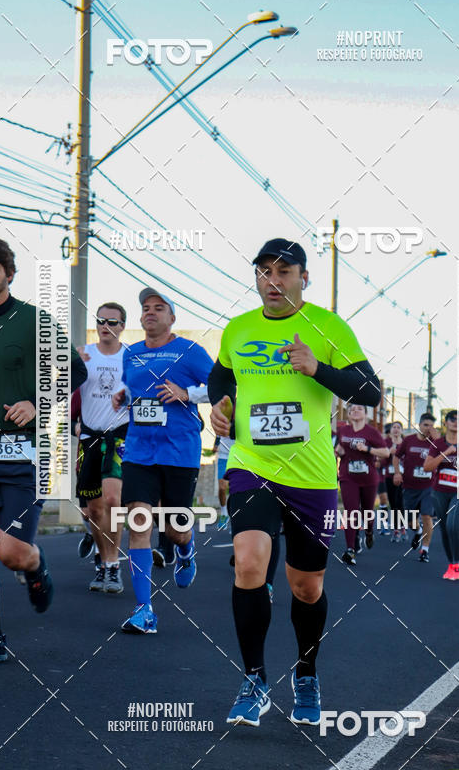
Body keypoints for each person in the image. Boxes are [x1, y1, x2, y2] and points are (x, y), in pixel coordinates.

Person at [208, 238, 381, 727]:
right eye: (264, 271)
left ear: (304, 277)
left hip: (314, 479)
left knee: (306, 587)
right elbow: (220, 378)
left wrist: (317, 368)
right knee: (248, 564)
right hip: (252, 467)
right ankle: (255, 679)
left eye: (284, 272)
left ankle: (305, 672)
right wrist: (219, 409)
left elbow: (370, 389)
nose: (272, 281)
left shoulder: (328, 326)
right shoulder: (238, 330)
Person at [0, 238, 87, 662]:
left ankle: (36, 566)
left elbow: (76, 369)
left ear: (9, 275)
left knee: (11, 553)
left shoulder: (34, 321)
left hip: (25, 453)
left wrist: (36, 402)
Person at [112, 287, 213, 634]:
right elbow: (133, 389)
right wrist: (122, 396)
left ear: (172, 317)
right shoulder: (132, 353)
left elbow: (222, 386)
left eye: (159, 308)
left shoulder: (189, 351)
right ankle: (144, 610)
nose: (150, 312)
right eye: (145, 308)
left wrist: (187, 393)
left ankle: (185, 551)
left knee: (174, 528)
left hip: (179, 451)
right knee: (138, 522)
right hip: (139, 449)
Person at [76, 303, 129, 594]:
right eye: (101, 320)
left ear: (122, 326)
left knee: (112, 500)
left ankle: (113, 566)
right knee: (93, 510)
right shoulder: (83, 354)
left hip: (119, 435)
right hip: (89, 437)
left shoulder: (131, 357)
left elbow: (142, 390)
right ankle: (103, 560)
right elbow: (62, 389)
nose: (106, 325)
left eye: (113, 321)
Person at [334, 405, 389, 564]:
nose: (355, 411)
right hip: (347, 476)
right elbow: (338, 448)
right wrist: (338, 452)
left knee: (367, 512)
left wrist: (367, 448)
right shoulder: (343, 431)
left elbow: (385, 452)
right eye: (351, 409)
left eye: (359, 409)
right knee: (351, 512)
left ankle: (369, 531)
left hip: (368, 478)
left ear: (366, 414)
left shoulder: (372, 432)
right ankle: (350, 549)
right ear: (349, 415)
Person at [423, 410, 459, 580]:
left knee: (452, 525)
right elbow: (427, 467)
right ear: (446, 423)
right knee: (444, 529)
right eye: (452, 419)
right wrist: (445, 454)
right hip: (439, 491)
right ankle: (452, 565)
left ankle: (458, 565)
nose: (456, 422)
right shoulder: (438, 444)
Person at [393, 413, 436, 563]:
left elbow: (448, 454)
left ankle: (425, 549)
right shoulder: (409, 440)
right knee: (410, 521)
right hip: (410, 486)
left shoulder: (435, 442)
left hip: (428, 486)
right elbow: (396, 457)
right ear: (419, 425)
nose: (428, 429)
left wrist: (437, 439)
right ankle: (418, 531)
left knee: (426, 515)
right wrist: (397, 473)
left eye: (431, 426)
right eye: (425, 425)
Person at [383, 421, 405, 541]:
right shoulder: (386, 443)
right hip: (389, 476)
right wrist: (388, 453)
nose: (396, 429)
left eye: (398, 427)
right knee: (393, 503)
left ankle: (399, 527)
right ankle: (398, 526)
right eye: (394, 427)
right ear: (390, 431)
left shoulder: (405, 443)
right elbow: (381, 461)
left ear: (401, 430)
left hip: (404, 477)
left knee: (401, 502)